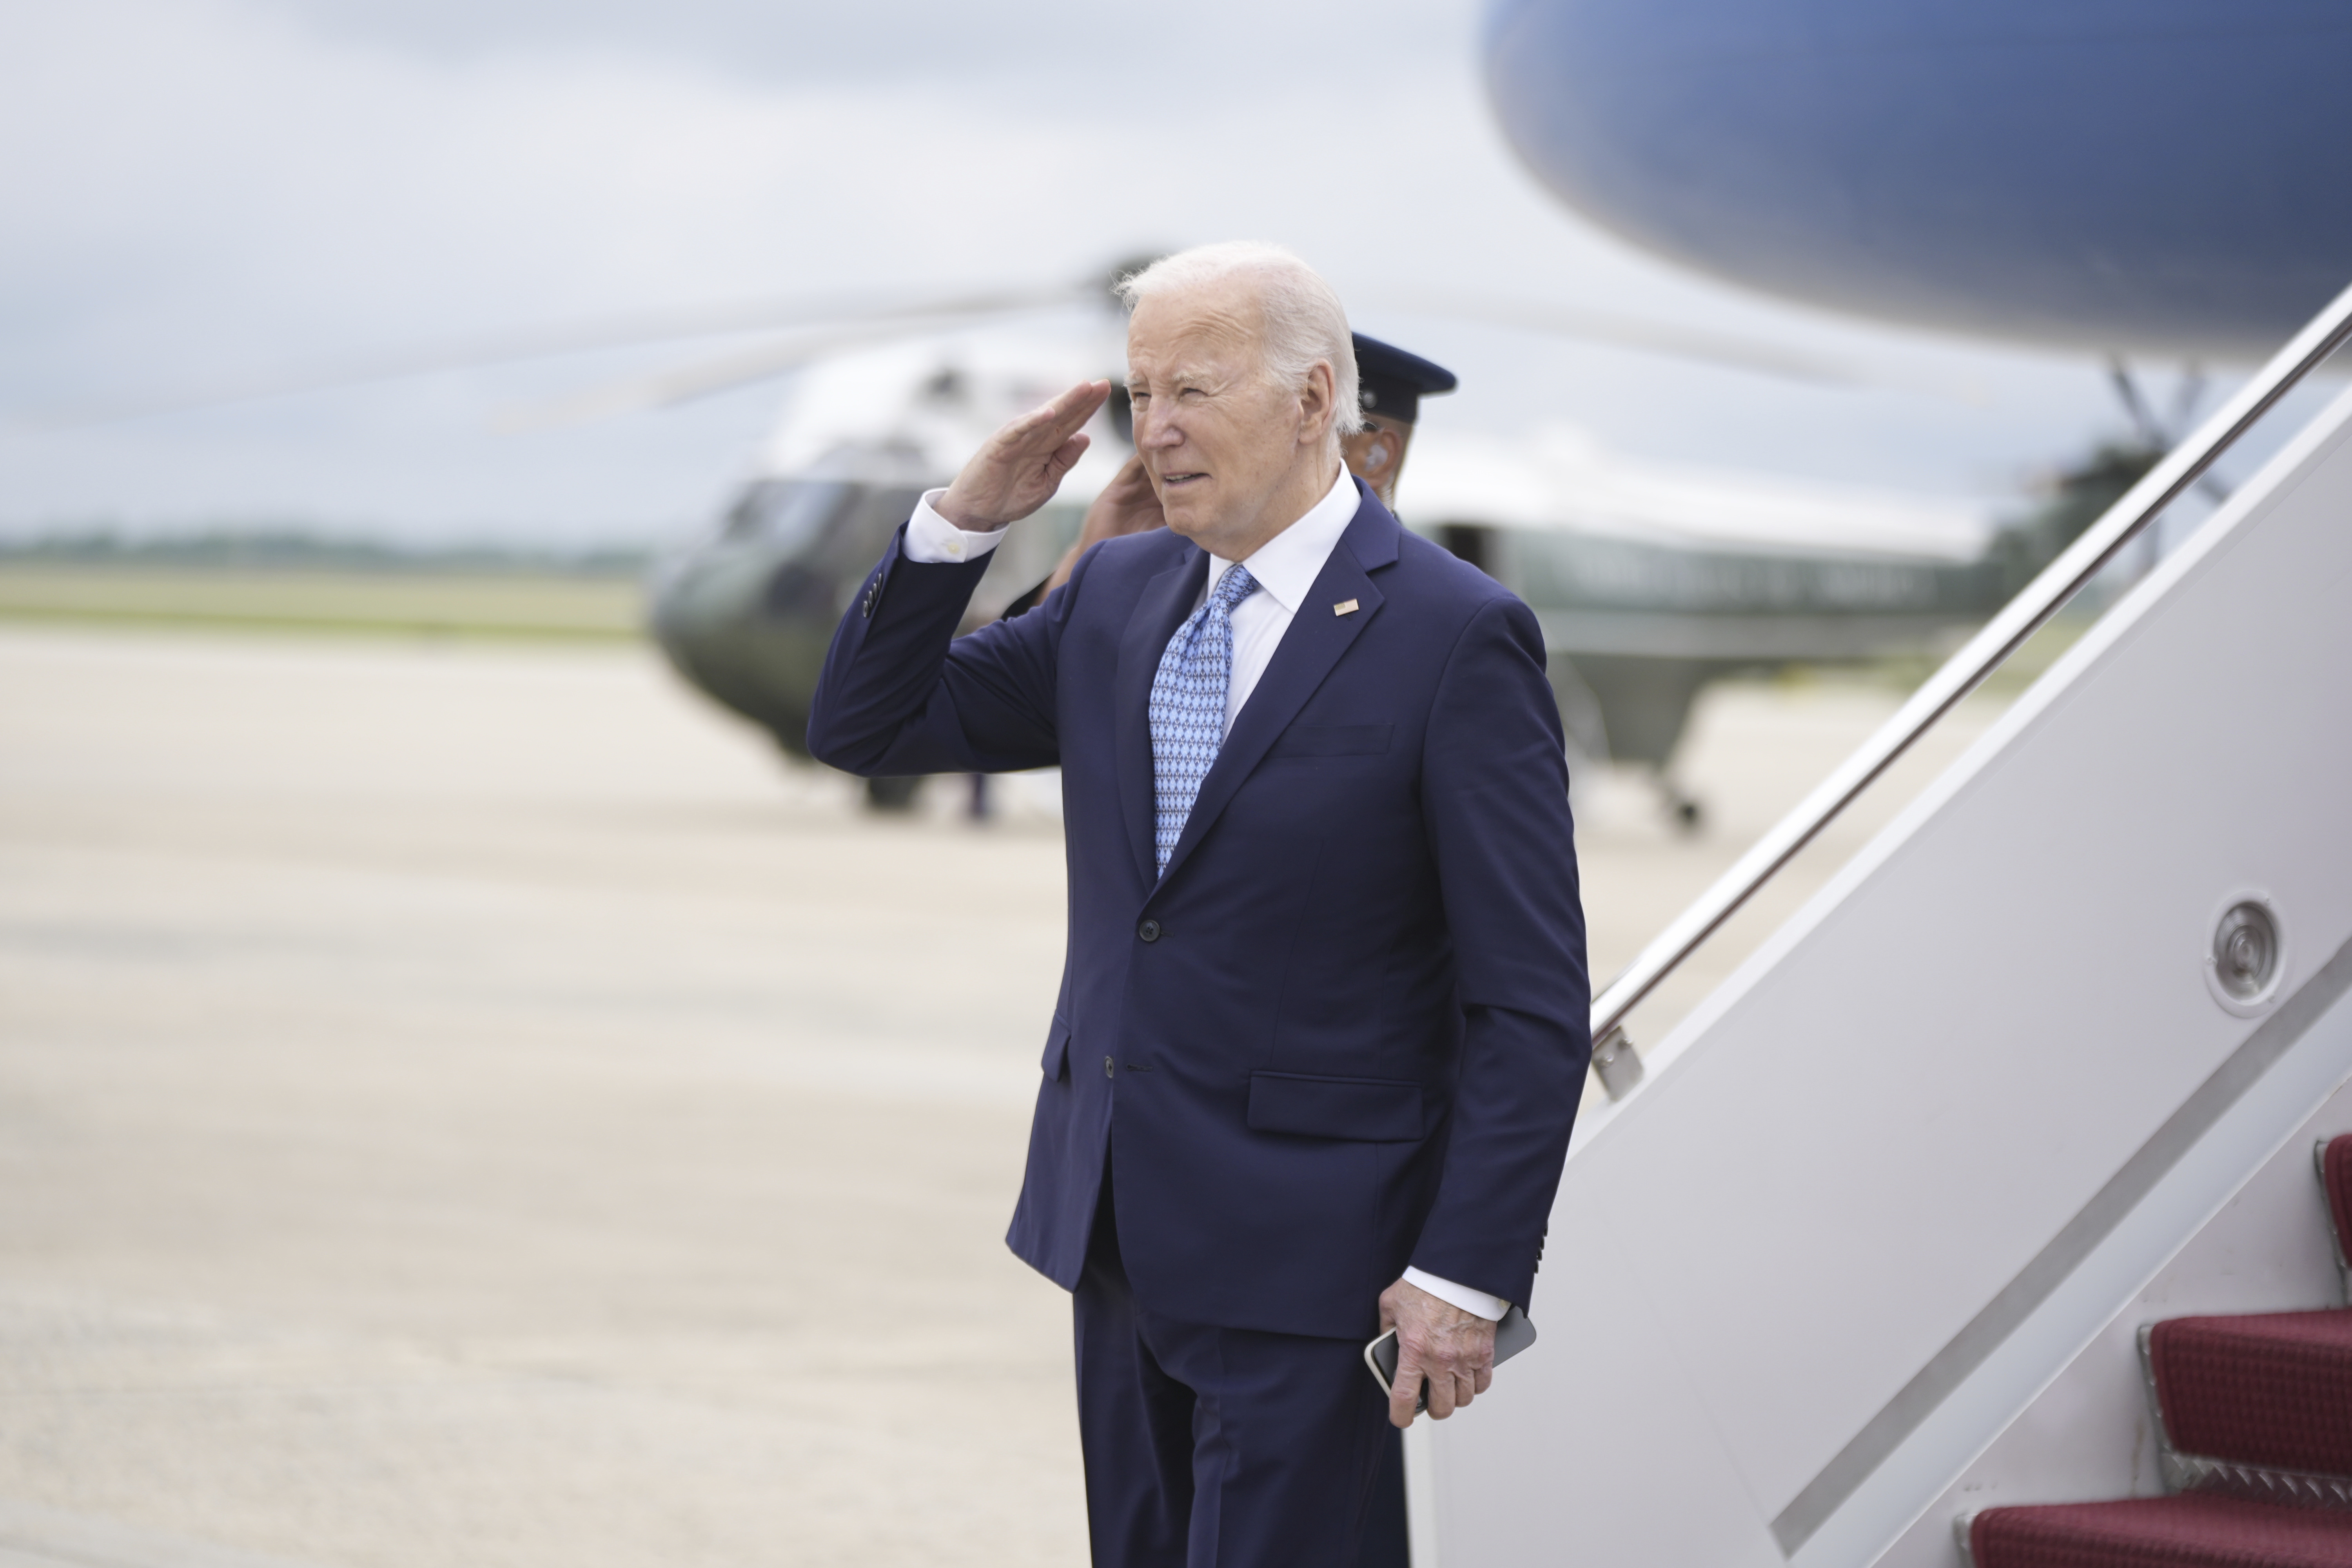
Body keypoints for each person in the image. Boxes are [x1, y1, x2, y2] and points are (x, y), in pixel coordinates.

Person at [807, 243, 1588, 1567]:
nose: (1156, 429)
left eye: (1195, 391)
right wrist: (961, 524)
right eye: (1142, 391)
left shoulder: (1456, 636)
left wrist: (1463, 1274)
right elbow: (867, 725)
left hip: (1317, 1262)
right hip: (1116, 1228)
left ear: (1311, 399)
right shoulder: (1118, 594)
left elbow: (1527, 998)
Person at [1001, 332, 1457, 617]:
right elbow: (1026, 710)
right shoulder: (1182, 589)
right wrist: (1087, 559)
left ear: (1374, 456)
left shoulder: (1441, 613)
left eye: (1301, 425)